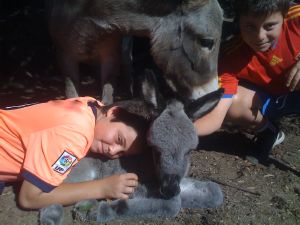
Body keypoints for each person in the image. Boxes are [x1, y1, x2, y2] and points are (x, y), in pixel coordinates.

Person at [194, 0, 300, 164]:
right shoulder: (231, 56)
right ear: (238, 21)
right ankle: (268, 132)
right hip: (271, 100)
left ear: (284, 16)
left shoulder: (296, 17)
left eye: (270, 26)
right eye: (250, 27)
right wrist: (183, 132)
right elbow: (218, 114)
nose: (260, 37)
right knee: (233, 103)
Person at [0, 96, 149, 209]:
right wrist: (103, 188)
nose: (113, 150)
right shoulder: (76, 133)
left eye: (121, 153)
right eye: (119, 139)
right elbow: (29, 197)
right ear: (113, 112)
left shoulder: (91, 105)